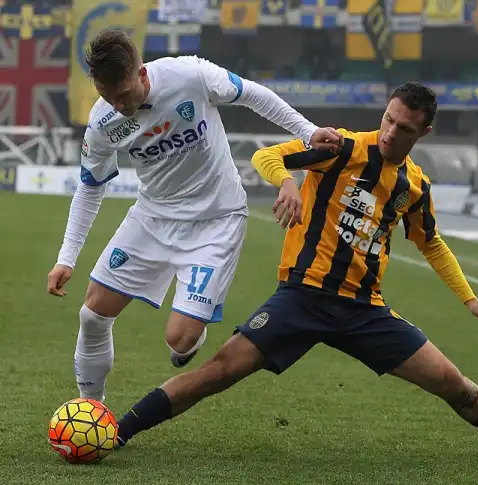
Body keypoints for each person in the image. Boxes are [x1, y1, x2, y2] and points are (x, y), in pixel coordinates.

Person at [114, 82, 478, 462]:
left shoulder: (413, 186)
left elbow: (432, 243)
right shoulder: (338, 147)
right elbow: (267, 157)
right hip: (303, 296)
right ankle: (118, 431)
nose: (389, 133)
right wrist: (289, 183)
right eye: (388, 120)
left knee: (453, 384)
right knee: (219, 371)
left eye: (404, 128)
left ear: (424, 133)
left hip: (365, 311)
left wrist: (470, 300)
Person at [46, 29, 342, 403]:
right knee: (91, 315)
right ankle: (92, 410)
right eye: (108, 98)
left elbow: (252, 94)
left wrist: (308, 131)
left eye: (123, 96)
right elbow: (90, 186)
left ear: (142, 74)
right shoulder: (103, 122)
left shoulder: (189, 75)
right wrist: (66, 258)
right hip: (152, 218)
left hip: (215, 221)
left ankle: (192, 330)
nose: (118, 106)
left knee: (180, 341)